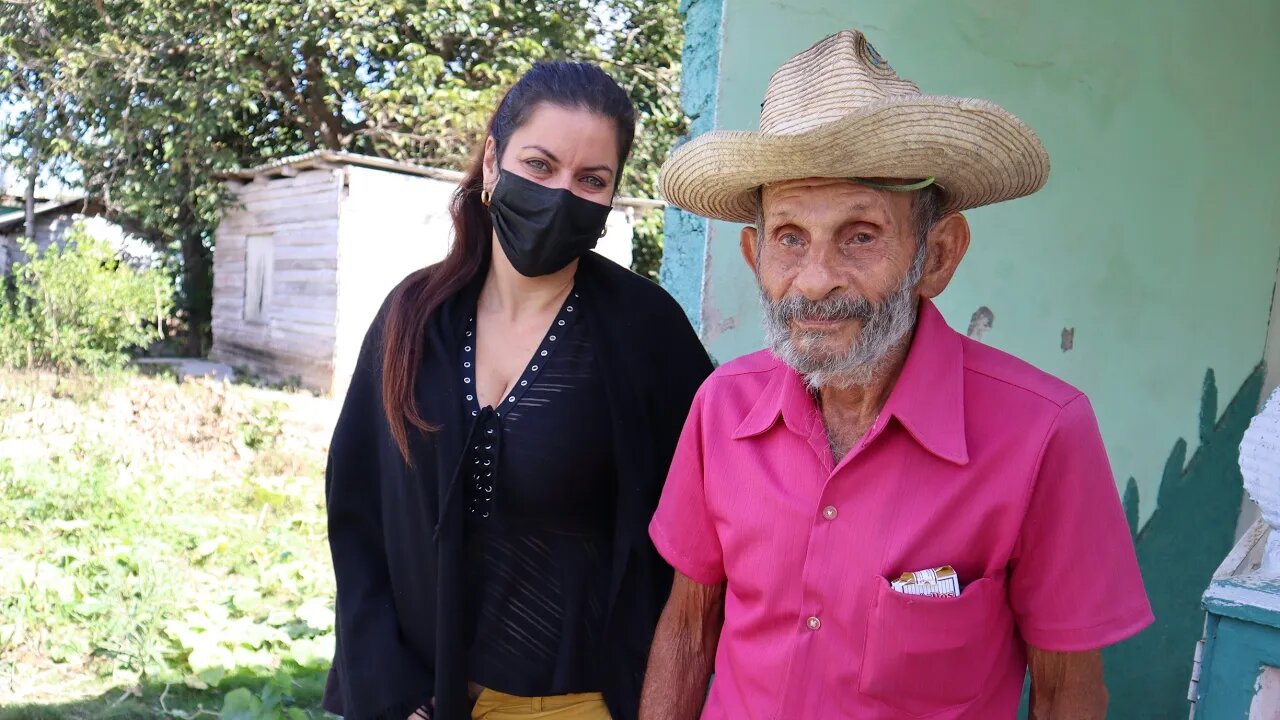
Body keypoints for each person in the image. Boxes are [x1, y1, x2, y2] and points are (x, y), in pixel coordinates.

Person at [640, 30, 1153, 720]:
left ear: (937, 255)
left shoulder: (1042, 434)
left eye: (861, 235)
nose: (815, 282)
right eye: (790, 238)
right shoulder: (722, 407)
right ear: (753, 253)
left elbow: (1068, 693)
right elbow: (687, 627)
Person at [323, 61, 713, 720]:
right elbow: (358, 516)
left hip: (587, 705)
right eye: (540, 165)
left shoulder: (646, 334)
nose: (562, 194)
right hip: (435, 703)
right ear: (493, 162)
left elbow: (708, 534)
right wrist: (391, 693)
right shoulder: (414, 319)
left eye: (592, 180)